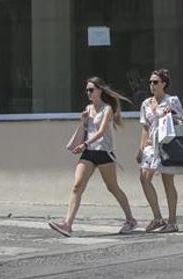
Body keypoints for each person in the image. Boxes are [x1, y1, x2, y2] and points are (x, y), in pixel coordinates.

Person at [49, 77, 137, 237]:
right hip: (89, 153)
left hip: (104, 153)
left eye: (91, 90)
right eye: (87, 90)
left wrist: (85, 144)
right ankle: (67, 224)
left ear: (100, 90)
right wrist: (83, 122)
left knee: (113, 187)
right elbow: (86, 130)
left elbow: (102, 131)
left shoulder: (107, 109)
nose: (88, 93)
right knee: (77, 186)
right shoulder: (88, 109)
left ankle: (130, 220)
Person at [137, 68, 183, 233]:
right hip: (151, 146)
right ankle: (157, 217)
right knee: (144, 178)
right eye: (150, 82)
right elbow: (145, 127)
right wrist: (141, 148)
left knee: (167, 181)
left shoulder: (171, 100)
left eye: (155, 82)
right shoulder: (146, 103)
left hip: (166, 144)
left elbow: (180, 122)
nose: (152, 84)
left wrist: (171, 115)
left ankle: (172, 221)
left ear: (164, 84)